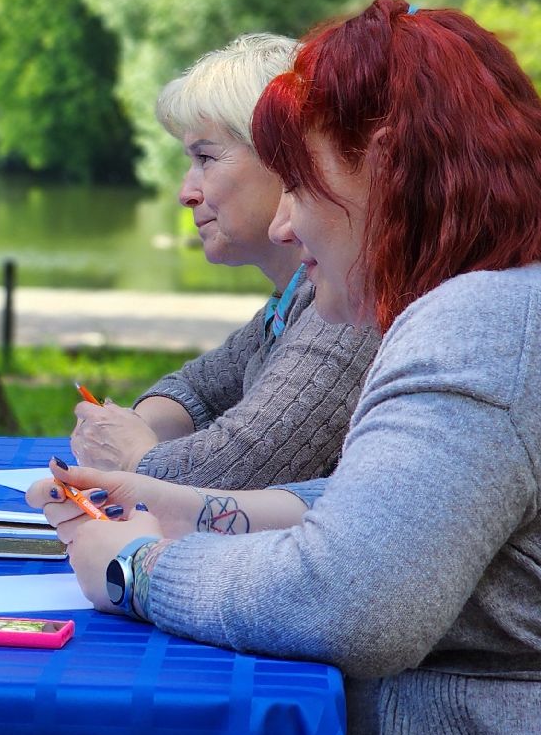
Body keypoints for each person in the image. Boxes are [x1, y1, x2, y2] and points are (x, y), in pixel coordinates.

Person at [33, 0, 541, 735]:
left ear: (385, 163)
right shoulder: (523, 301)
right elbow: (394, 511)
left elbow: (349, 601)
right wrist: (173, 503)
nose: (285, 226)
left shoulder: (482, 328)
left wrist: (137, 567)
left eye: (299, 183)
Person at [70, 34, 380, 488]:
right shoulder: (292, 301)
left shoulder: (346, 309)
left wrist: (135, 454)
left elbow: (231, 472)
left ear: (289, 160)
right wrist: (128, 433)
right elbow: (196, 389)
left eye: (205, 158)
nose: (186, 192)